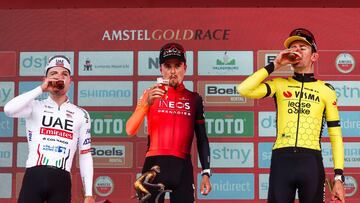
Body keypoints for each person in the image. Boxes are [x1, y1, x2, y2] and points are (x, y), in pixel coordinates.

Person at [237, 28, 345, 203]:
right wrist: (276, 65)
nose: (297, 51)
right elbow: (244, 89)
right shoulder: (280, 84)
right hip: (282, 161)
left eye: (303, 48)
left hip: (311, 162)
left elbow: (335, 135)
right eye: (293, 47)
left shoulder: (326, 90)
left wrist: (339, 177)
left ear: (314, 56)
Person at [126, 42, 212, 203]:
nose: (173, 71)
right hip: (154, 166)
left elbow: (202, 138)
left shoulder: (194, 99)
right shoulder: (150, 94)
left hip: (183, 168)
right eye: (168, 66)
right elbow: (130, 129)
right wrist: (145, 105)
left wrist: (206, 172)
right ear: (161, 69)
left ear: (185, 68)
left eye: (177, 65)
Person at [4, 55, 95, 203]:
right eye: (53, 73)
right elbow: (8, 109)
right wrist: (41, 88)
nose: (59, 77)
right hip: (34, 176)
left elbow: (85, 155)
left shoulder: (81, 114)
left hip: (62, 180)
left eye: (64, 74)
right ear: (45, 79)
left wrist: (89, 193)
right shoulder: (34, 106)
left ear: (70, 82)